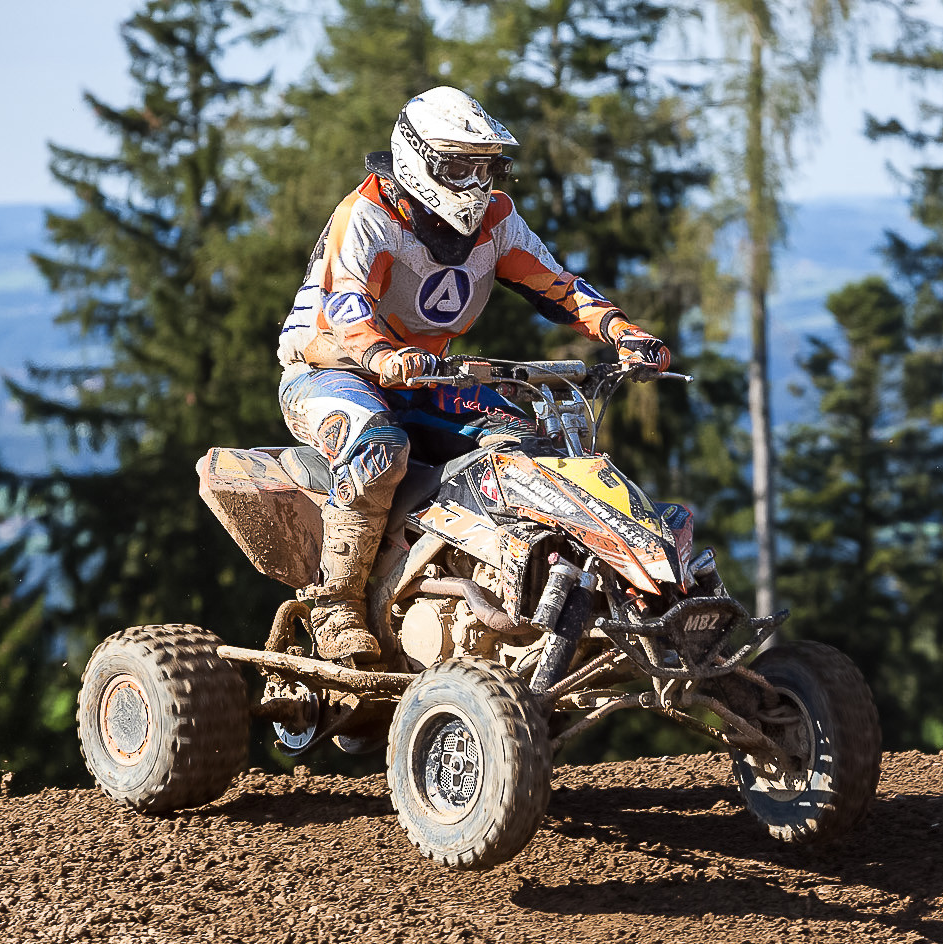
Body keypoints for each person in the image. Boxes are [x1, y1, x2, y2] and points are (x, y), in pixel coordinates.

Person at [276, 86, 671, 663]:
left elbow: (557, 285)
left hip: (428, 378)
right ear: (416, 159)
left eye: (486, 167)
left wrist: (621, 331)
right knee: (377, 447)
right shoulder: (367, 216)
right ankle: (337, 607)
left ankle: (522, 592)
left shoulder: (497, 221)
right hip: (328, 371)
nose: (476, 183)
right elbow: (346, 307)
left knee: (526, 446)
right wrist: (382, 356)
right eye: (460, 166)